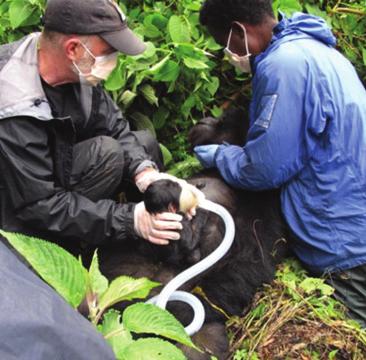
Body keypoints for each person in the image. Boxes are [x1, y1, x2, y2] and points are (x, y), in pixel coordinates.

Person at [194, 0, 366, 327]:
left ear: (238, 31)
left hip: (346, 238)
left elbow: (265, 169)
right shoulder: (316, 48)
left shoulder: (283, 66)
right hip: (356, 212)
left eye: (224, 44)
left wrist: (220, 154)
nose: (229, 55)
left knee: (352, 330)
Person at [0, 0, 202, 253]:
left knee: (144, 145)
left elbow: (114, 126)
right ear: (73, 48)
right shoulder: (12, 102)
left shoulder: (73, 68)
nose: (114, 61)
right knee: (107, 153)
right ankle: (68, 249)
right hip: (17, 207)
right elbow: (39, 203)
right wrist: (129, 220)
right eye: (108, 51)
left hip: (54, 167)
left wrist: (147, 175)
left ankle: (149, 229)